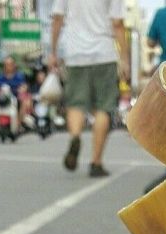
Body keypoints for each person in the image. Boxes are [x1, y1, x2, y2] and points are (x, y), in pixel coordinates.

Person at [48, 0, 129, 177]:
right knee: (103, 107)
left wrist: (53, 52)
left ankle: (75, 136)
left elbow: (57, 19)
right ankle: (96, 162)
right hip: (104, 53)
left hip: (75, 53)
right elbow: (117, 24)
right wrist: (124, 58)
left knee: (76, 103)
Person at [0, 55, 31, 127]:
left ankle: (19, 123)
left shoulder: (19, 76)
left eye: (10, 64)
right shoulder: (0, 76)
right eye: (7, 64)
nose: (9, 66)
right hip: (3, 97)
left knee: (24, 100)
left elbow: (24, 86)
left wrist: (22, 89)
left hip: (16, 97)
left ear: (14, 65)